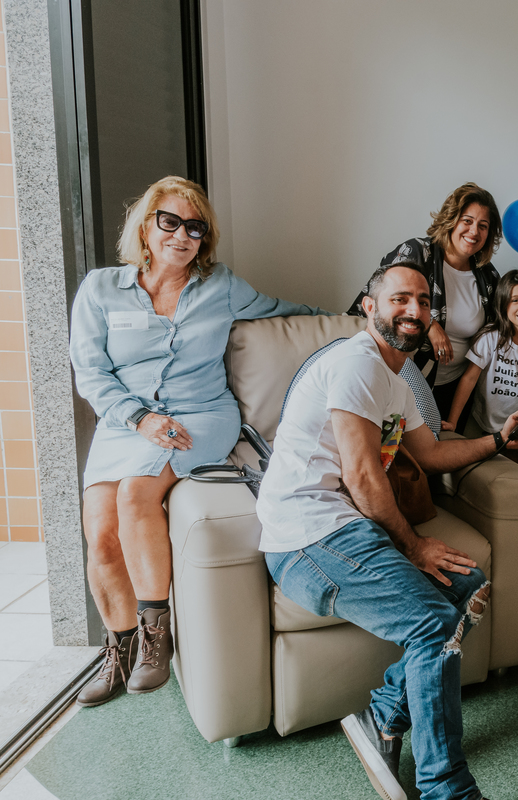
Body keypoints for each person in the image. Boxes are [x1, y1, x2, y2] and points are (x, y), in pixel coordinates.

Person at [258, 262, 518, 800]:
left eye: (423, 302)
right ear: (370, 306)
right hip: (308, 540)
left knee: (469, 584)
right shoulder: (355, 364)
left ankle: (384, 711)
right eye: (400, 299)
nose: (413, 310)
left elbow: (429, 454)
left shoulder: (396, 378)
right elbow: (362, 475)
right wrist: (414, 546)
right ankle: (446, 788)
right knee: (433, 623)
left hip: (346, 530)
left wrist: (497, 442)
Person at [68, 176, 326, 707]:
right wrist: (139, 418)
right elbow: (90, 373)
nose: (181, 235)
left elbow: (284, 309)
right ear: (146, 225)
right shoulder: (99, 288)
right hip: (125, 423)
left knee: (134, 496)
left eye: (194, 227)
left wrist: (355, 314)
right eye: (170, 222)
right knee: (100, 533)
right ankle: (117, 651)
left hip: (200, 416)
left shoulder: (222, 286)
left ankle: (156, 640)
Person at [348, 183, 502, 432]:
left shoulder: (488, 277)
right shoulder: (417, 253)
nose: (474, 231)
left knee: (441, 461)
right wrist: (430, 323)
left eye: (483, 226)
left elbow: (497, 332)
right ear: (452, 219)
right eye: (468, 221)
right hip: (404, 379)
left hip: (455, 390)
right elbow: (379, 303)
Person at [447, 268, 518, 475]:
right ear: (503, 306)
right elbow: (469, 379)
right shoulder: (490, 338)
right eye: (514, 300)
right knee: (508, 469)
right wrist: (453, 422)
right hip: (490, 427)